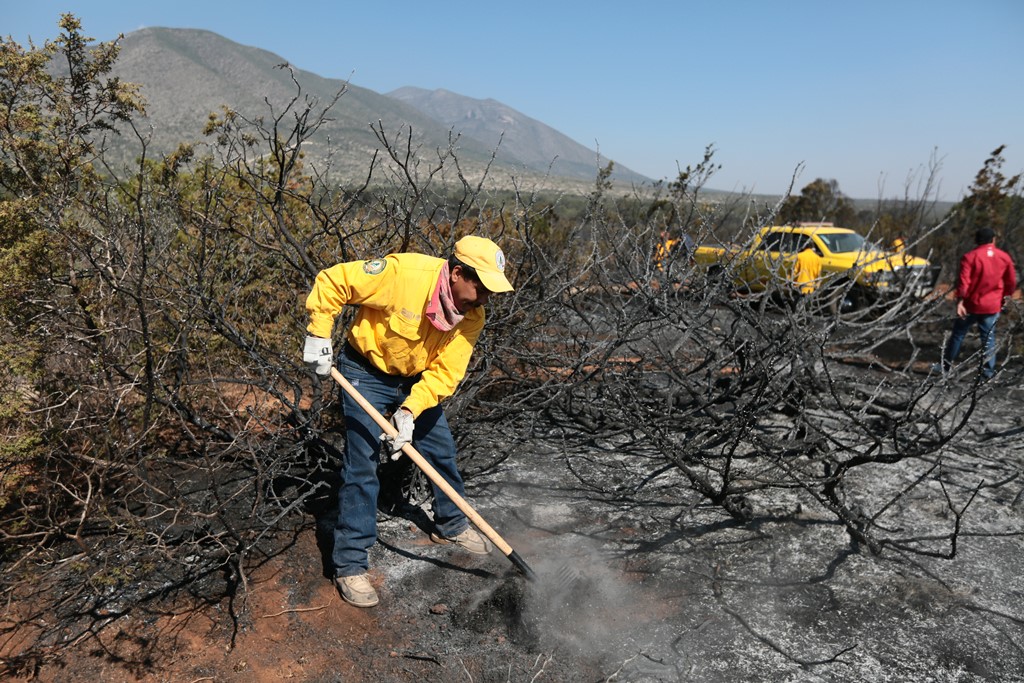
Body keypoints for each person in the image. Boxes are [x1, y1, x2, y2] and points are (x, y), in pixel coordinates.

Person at [302, 235, 514, 607]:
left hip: (416, 381)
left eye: (489, 292)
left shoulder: (473, 315)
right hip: (365, 372)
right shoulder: (403, 275)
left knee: (440, 451)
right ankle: (350, 564)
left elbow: (446, 373)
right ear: (458, 272)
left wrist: (409, 411)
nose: (483, 299)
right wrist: (319, 334)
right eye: (480, 287)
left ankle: (452, 525)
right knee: (361, 466)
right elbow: (334, 280)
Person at [938, 227, 1017, 379]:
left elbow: (964, 282)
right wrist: (1005, 297)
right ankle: (988, 371)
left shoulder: (970, 257)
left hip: (971, 304)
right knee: (988, 337)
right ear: (993, 240)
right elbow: (1011, 282)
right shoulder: (1004, 257)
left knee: (958, 334)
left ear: (976, 240)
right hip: (993, 304)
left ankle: (945, 367)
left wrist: (960, 301)